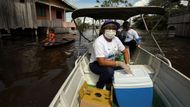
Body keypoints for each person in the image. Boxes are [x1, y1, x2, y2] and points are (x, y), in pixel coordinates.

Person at [89, 20, 132, 89]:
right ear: (103, 30)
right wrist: (119, 63)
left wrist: (127, 64)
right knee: (109, 71)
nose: (111, 31)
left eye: (113, 29)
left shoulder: (116, 39)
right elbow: (101, 62)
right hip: (95, 64)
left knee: (124, 68)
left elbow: (125, 51)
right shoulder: (99, 42)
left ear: (116, 31)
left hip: (110, 61)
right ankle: (99, 86)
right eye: (108, 29)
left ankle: (116, 83)